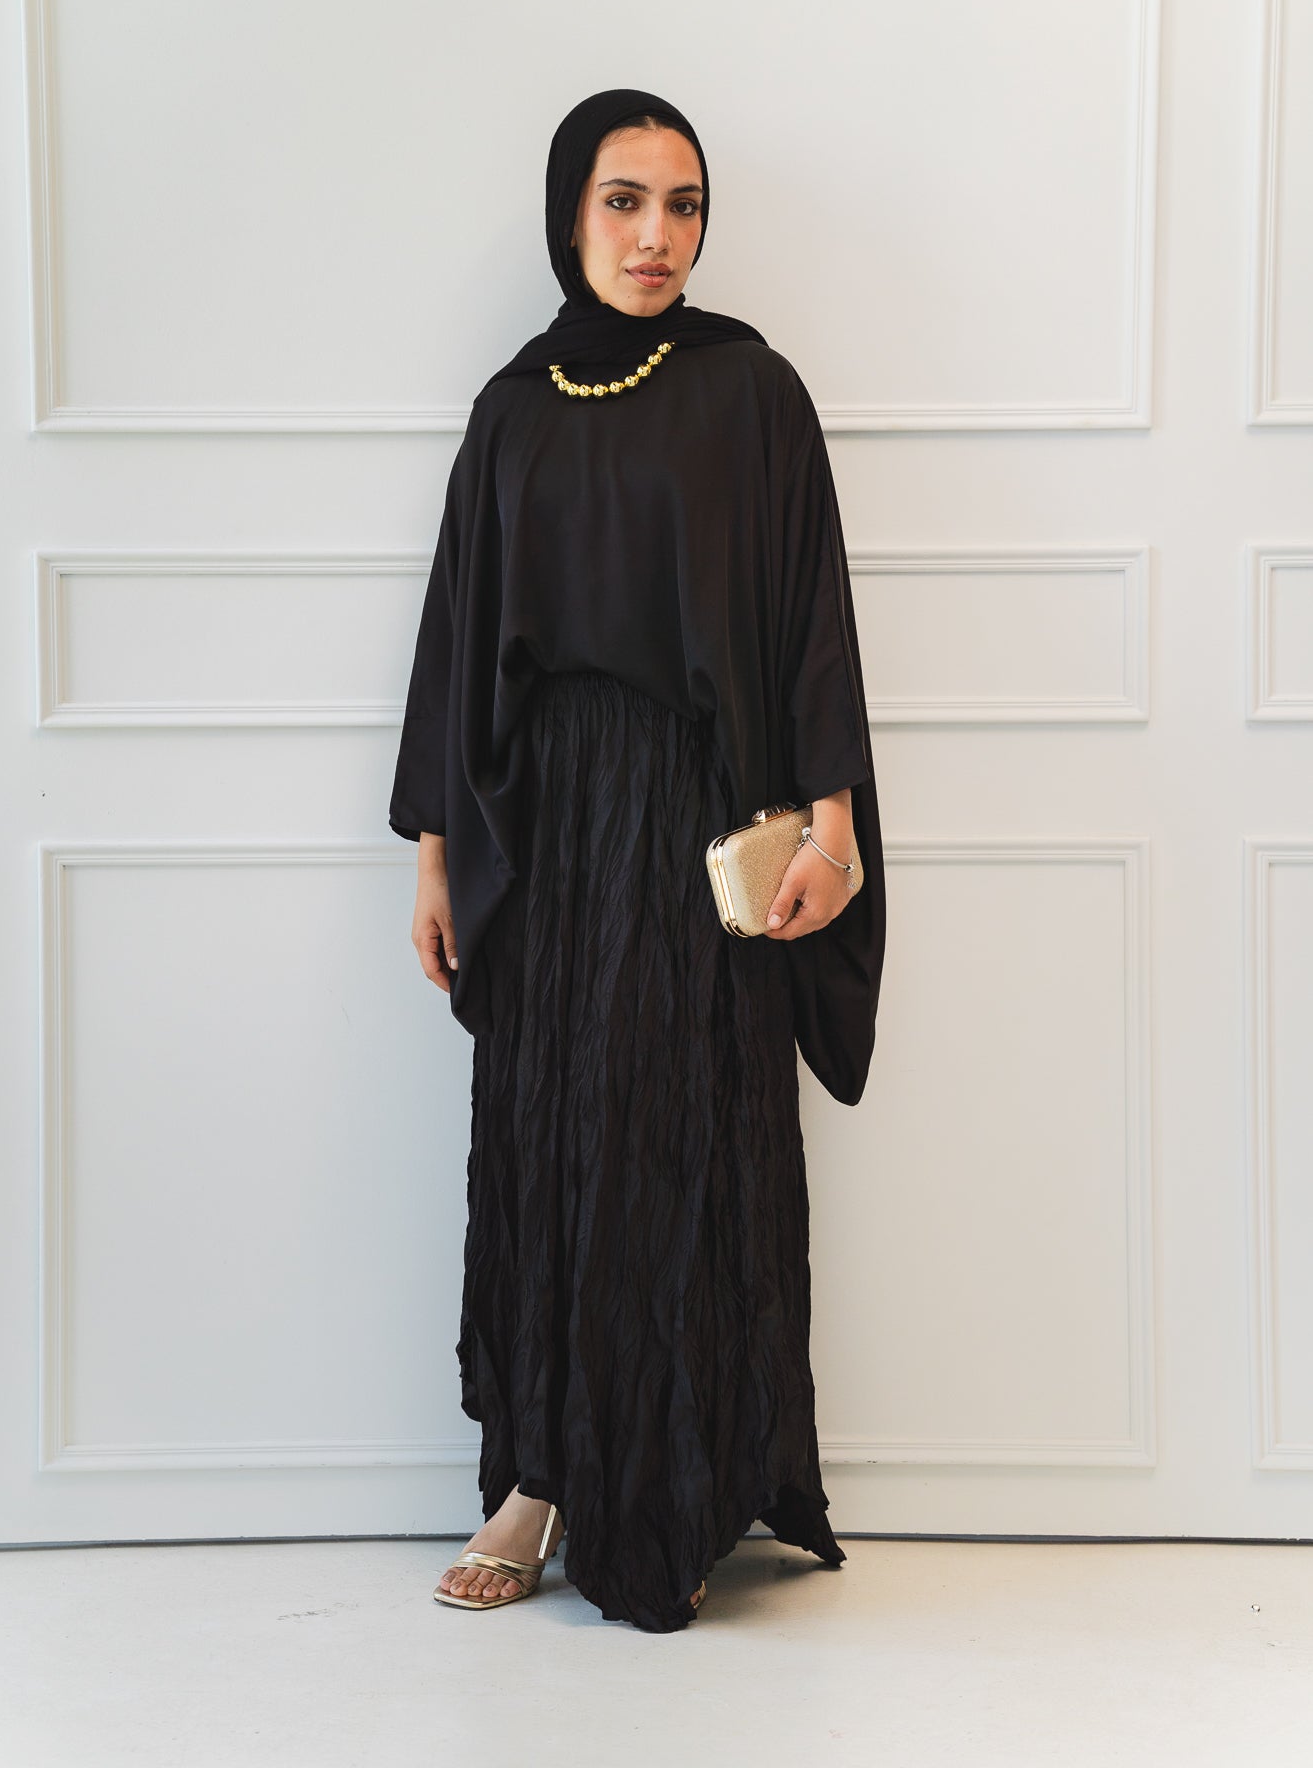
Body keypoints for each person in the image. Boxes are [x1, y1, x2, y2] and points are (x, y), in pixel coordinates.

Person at [388, 87, 885, 1634]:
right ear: (570, 213)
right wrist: (434, 855)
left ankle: (676, 1479)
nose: (656, 235)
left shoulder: (749, 391)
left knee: (681, 1137)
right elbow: (460, 639)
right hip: (541, 832)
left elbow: (807, 616)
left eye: (682, 204)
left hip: (697, 820)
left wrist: (834, 827)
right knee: (547, 1142)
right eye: (623, 201)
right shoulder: (512, 407)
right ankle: (537, 1479)